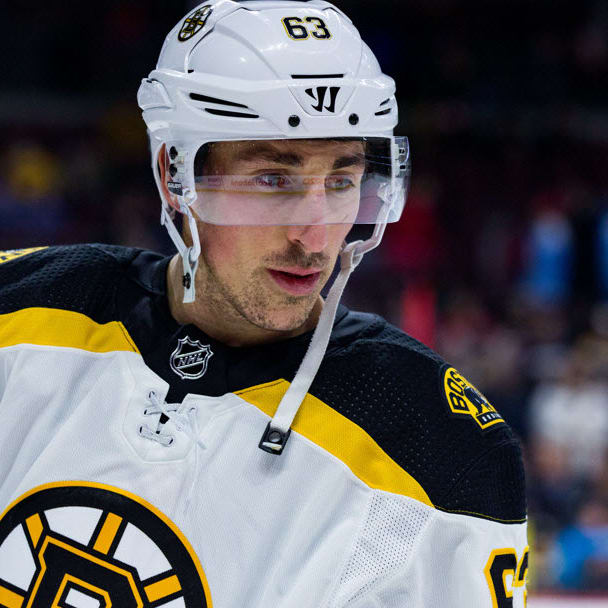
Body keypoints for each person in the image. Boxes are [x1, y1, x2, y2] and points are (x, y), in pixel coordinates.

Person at [0, 1, 528, 606]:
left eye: (342, 181)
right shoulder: (19, 313)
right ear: (175, 176)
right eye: (274, 180)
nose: (315, 236)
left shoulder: (440, 447)